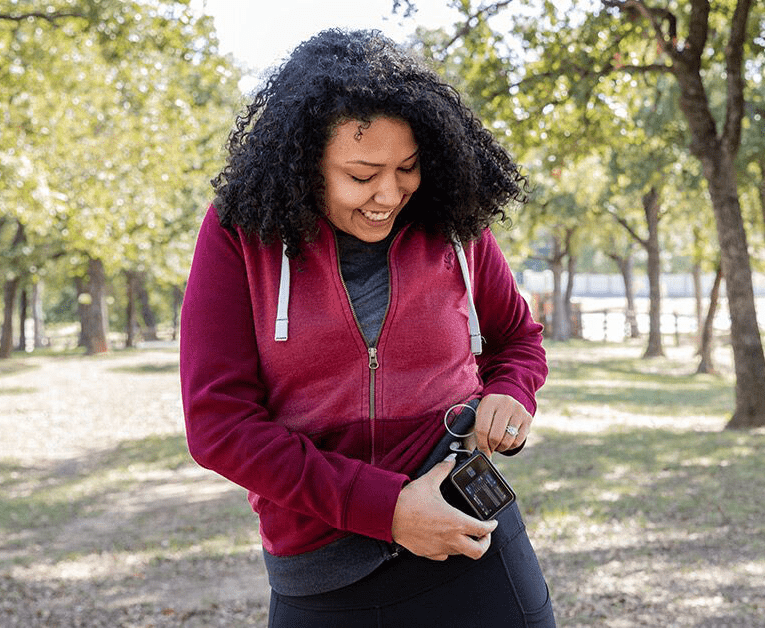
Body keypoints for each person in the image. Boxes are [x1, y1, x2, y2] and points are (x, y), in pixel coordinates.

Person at [178, 28, 555, 627]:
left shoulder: (453, 224)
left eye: (407, 168)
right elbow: (218, 424)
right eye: (361, 174)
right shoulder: (239, 234)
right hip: (321, 565)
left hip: (470, 543)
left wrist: (511, 391)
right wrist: (391, 510)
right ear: (305, 164)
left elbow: (517, 339)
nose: (389, 193)